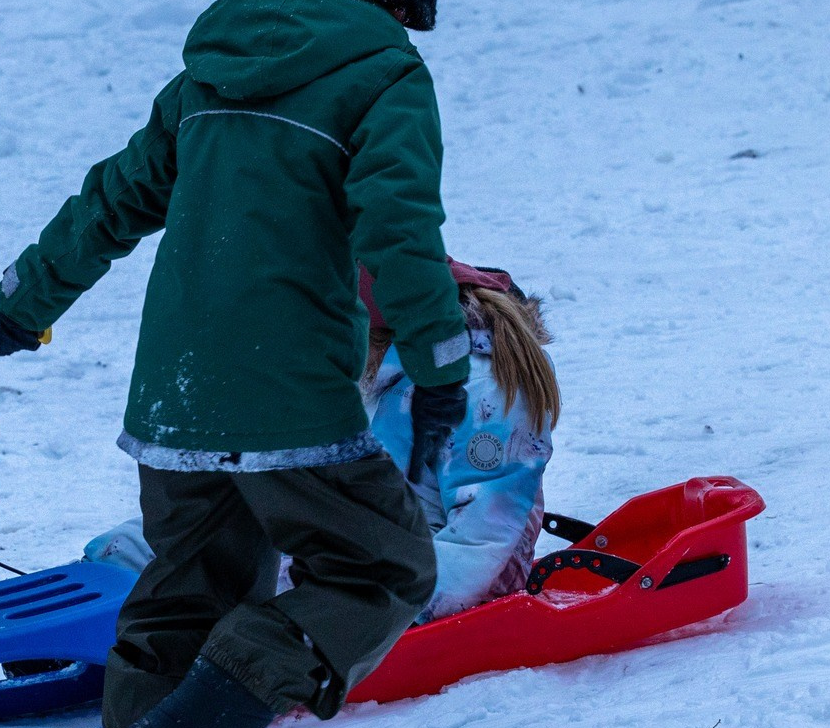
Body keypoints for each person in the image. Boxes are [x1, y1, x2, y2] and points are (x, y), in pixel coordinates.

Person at [0, 0, 470, 728]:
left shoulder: (210, 71)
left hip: (176, 395)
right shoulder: (384, 76)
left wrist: (24, 302)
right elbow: (398, 233)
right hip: (289, 395)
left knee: (189, 585)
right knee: (381, 563)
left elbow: (115, 195)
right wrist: (440, 366)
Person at [88, 259, 562, 629]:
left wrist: (336, 613)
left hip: (398, 585)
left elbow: (485, 543)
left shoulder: (479, 391)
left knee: (184, 586)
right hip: (336, 551)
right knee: (128, 550)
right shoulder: (376, 375)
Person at [357, 260, 559, 622]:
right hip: (392, 578)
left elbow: (484, 536)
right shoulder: (402, 380)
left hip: (436, 596)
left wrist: (379, 619)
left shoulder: (482, 387)